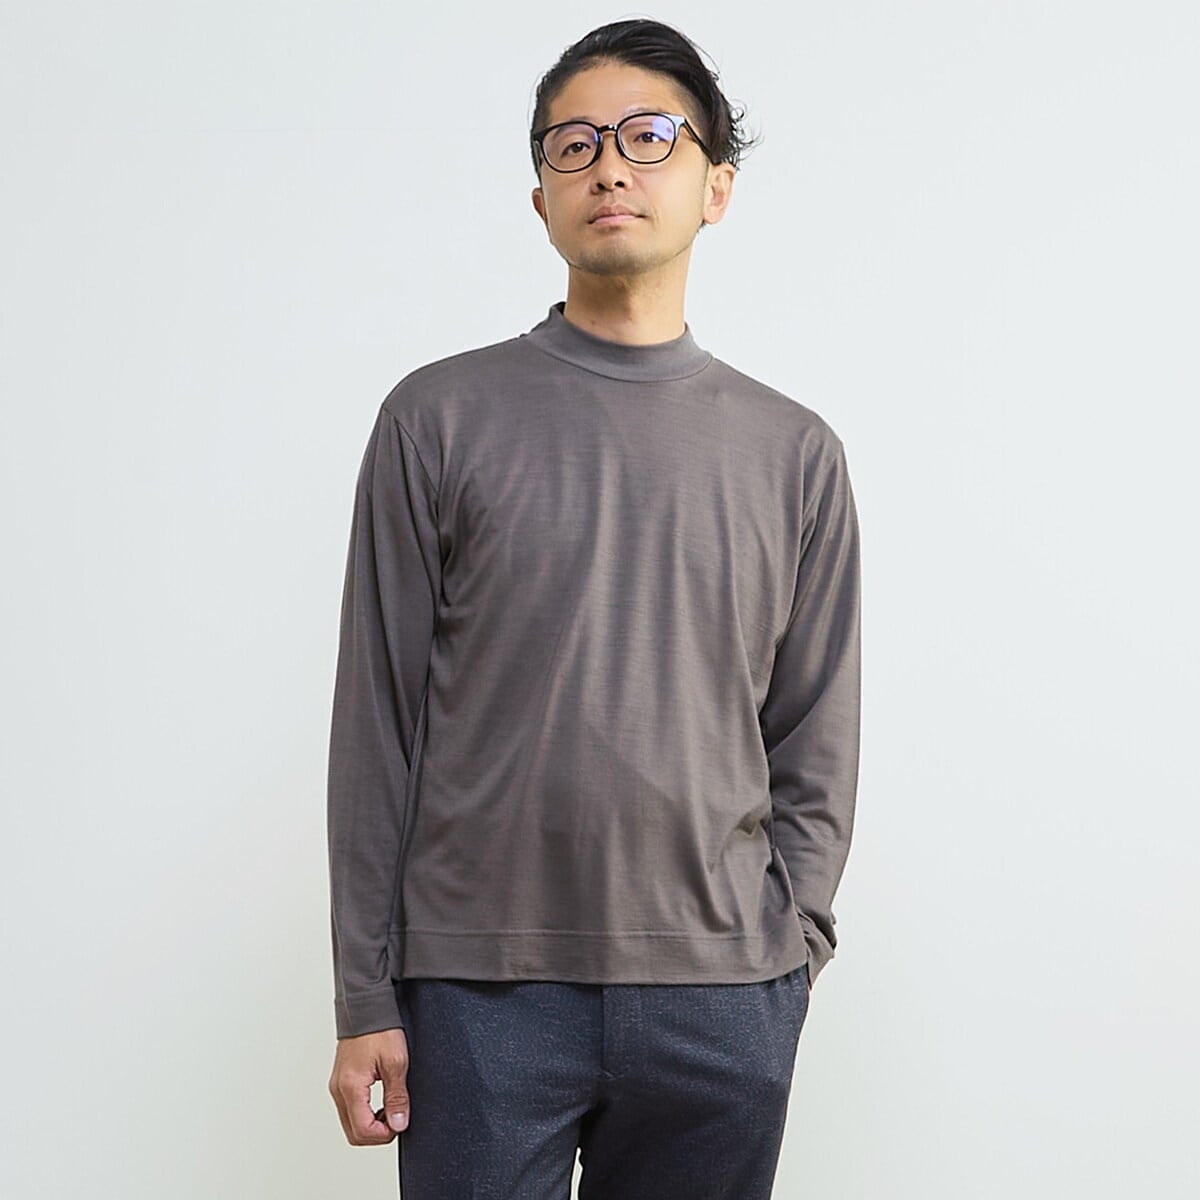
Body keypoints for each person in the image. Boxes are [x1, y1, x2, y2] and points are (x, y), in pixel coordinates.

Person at [326, 17, 862, 1199]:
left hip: (722, 997)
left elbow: (815, 734)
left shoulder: (795, 454)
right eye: (574, 144)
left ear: (716, 186)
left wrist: (792, 956)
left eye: (648, 135)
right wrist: (366, 994)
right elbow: (378, 723)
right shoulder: (435, 419)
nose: (609, 165)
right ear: (541, 199)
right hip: (476, 992)